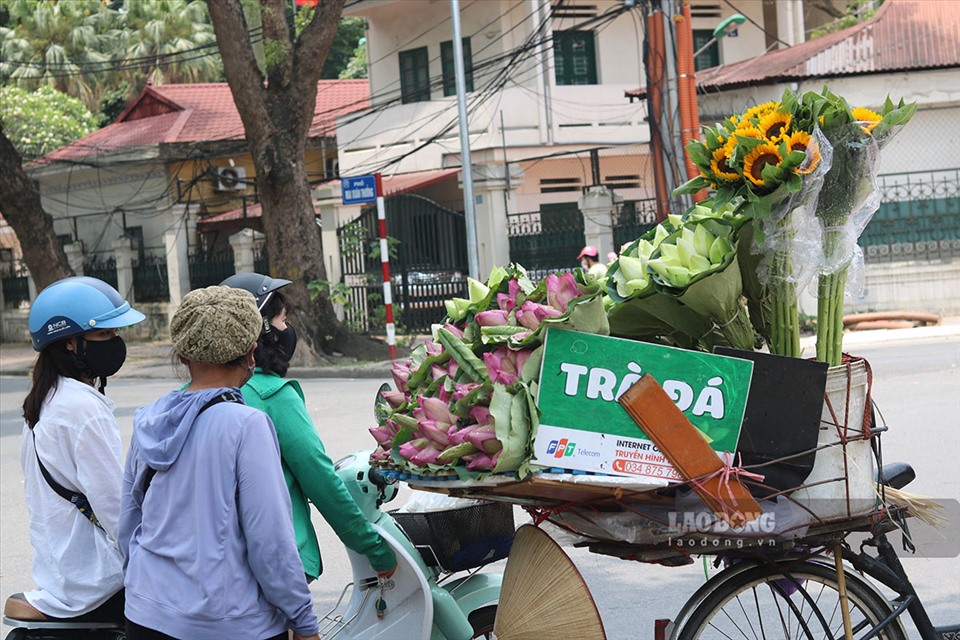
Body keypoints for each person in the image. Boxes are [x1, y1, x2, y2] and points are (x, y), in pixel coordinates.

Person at [119, 286, 319, 640]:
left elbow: (130, 523)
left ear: (183, 357)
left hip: (145, 613)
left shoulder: (149, 419)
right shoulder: (247, 425)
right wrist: (301, 619)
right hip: (227, 624)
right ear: (251, 353)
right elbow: (270, 542)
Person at [220, 273, 397, 582]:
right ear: (260, 330)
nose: (287, 330)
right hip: (275, 561)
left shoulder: (186, 397)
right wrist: (373, 547)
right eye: (282, 320)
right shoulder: (273, 395)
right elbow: (319, 479)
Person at [4, 276, 145, 624]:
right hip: (98, 583)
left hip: (62, 573)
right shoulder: (81, 409)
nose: (115, 343)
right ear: (70, 343)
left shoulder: (45, 399)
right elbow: (117, 511)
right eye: (104, 335)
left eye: (115, 335)